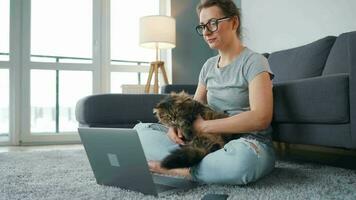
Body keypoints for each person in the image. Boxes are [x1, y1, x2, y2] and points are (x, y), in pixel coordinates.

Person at [133, 0, 275, 185]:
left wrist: (205, 127)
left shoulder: (255, 62)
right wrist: (174, 128)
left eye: (213, 23)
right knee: (139, 131)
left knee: (240, 164)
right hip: (207, 143)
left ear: (234, 22)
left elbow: (261, 118)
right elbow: (192, 108)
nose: (206, 32)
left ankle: (180, 170)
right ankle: (200, 166)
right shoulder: (208, 66)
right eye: (202, 26)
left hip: (246, 143)